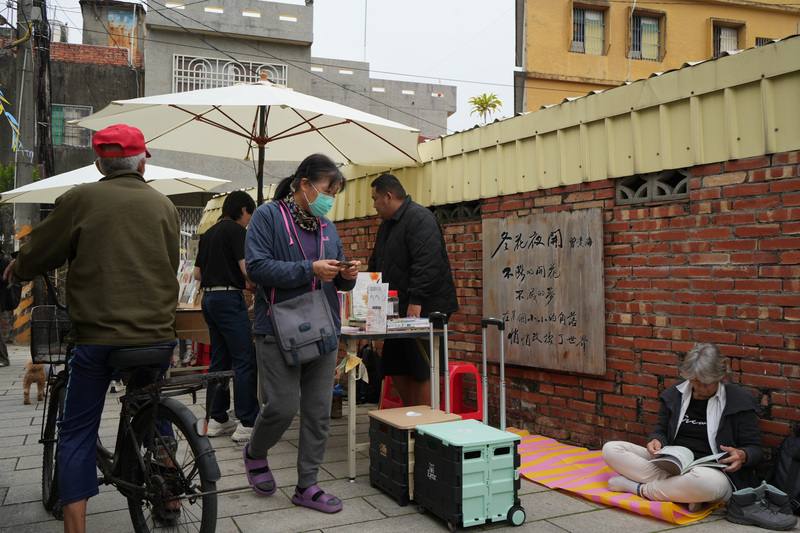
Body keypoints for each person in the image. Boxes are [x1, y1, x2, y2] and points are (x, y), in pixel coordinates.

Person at [3, 124, 181, 533]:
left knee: (77, 431)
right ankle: (168, 487)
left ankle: (76, 526)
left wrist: (19, 267)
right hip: (157, 335)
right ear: (143, 161)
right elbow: (168, 265)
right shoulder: (164, 205)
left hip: (99, 338)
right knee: (151, 406)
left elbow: (40, 251)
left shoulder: (81, 199)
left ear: (99, 162)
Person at [243, 153, 359, 514]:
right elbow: (257, 268)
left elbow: (335, 276)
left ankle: (307, 485)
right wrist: (309, 268)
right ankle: (255, 451)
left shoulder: (327, 227)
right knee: (280, 406)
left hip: (323, 326)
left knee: (318, 411)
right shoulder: (267, 217)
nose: (330, 198)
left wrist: (346, 275)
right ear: (304, 184)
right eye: (327, 189)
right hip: (277, 327)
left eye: (335, 192)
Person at [602, 343, 762, 509]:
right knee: (611, 449)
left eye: (705, 384)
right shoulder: (675, 395)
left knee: (706, 482)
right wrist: (656, 440)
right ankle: (683, 492)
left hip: (713, 473)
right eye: (694, 382)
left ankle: (638, 488)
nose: (698, 389)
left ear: (720, 378)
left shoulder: (739, 401)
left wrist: (743, 455)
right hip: (673, 466)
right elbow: (660, 430)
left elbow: (756, 449)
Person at [368, 174, 458, 406]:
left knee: (421, 367)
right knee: (395, 365)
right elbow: (377, 263)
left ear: (388, 196)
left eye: (375, 199)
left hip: (425, 307)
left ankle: (425, 425)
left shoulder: (420, 218)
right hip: (397, 311)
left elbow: (428, 263)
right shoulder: (387, 226)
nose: (374, 205)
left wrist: (416, 301)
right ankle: (412, 415)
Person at [194, 190, 259, 443]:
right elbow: (247, 270)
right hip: (229, 299)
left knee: (220, 359)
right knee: (244, 359)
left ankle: (217, 418)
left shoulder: (208, 234)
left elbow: (198, 274)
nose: (249, 221)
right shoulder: (237, 232)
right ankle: (247, 421)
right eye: (249, 216)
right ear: (243, 210)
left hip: (209, 299)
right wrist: (254, 282)